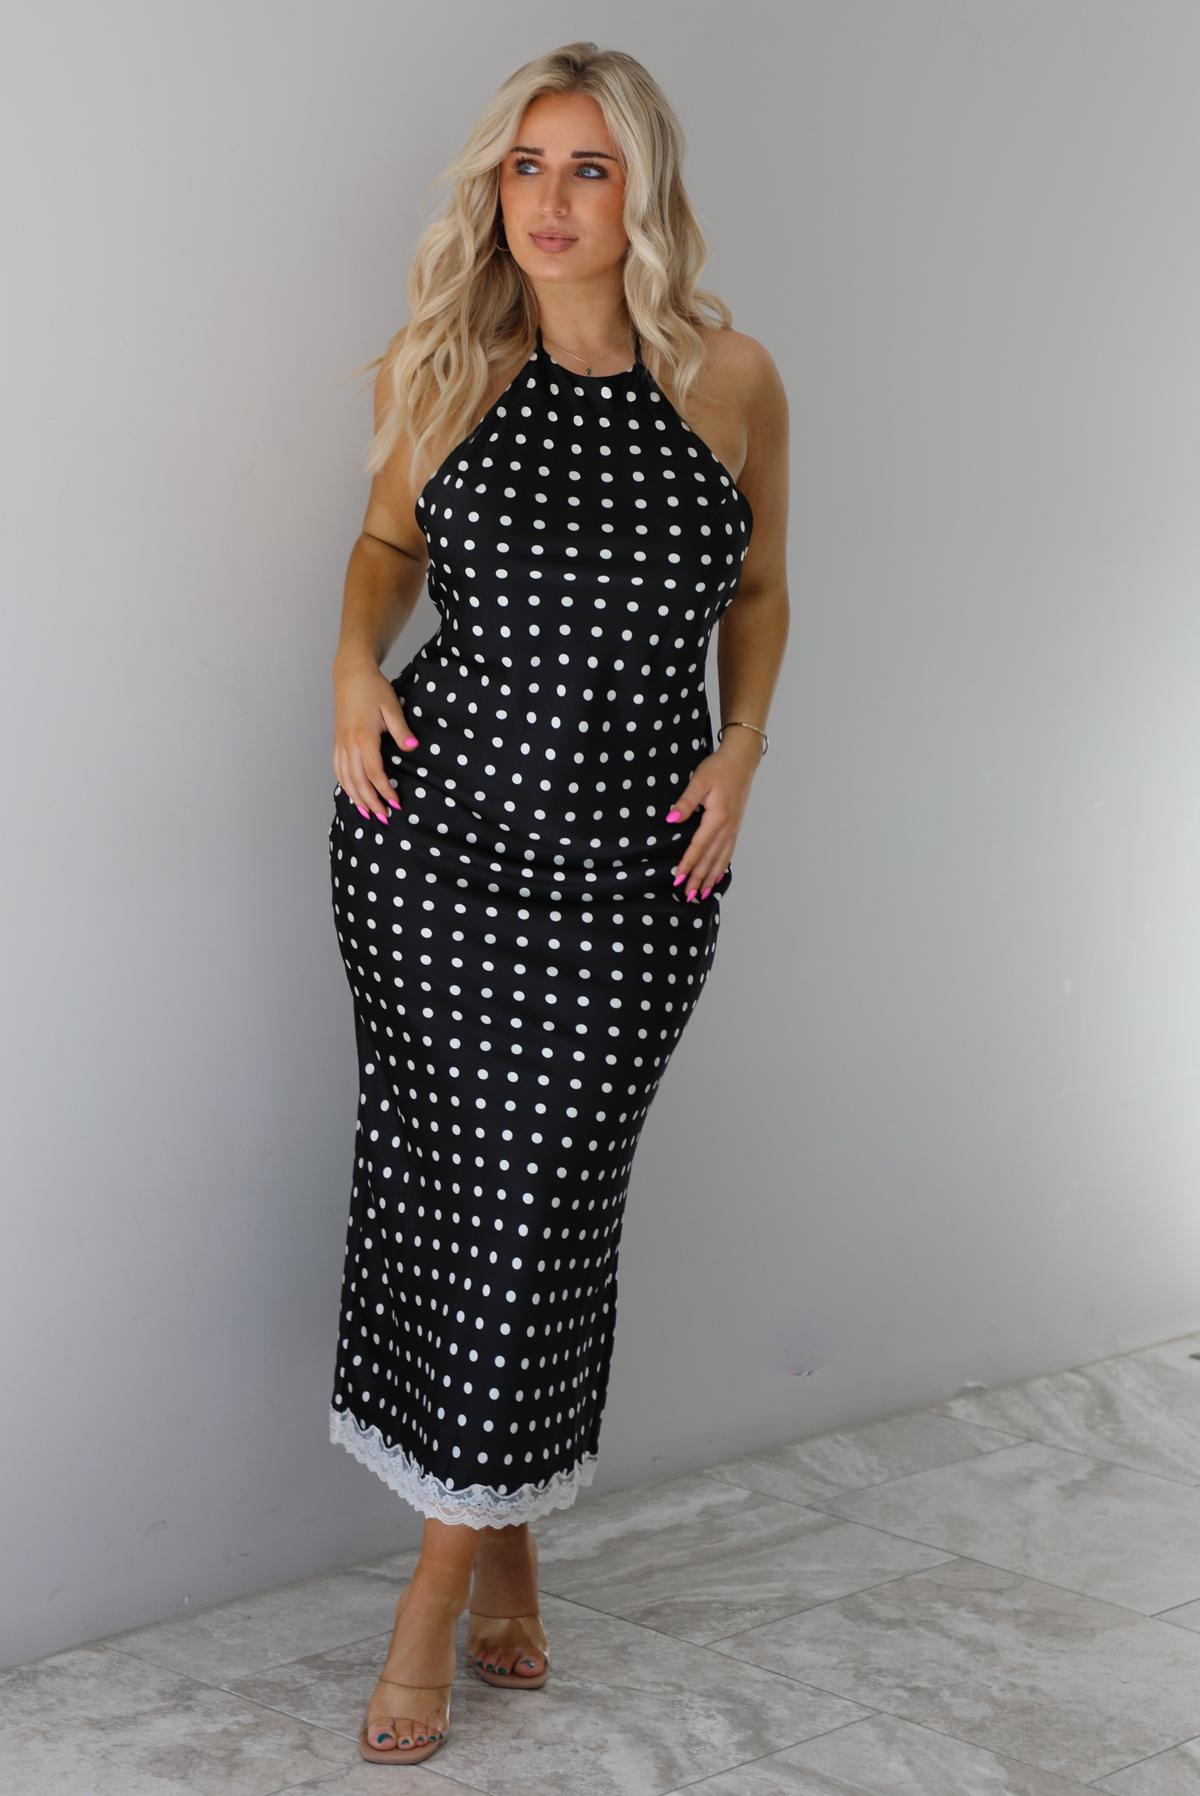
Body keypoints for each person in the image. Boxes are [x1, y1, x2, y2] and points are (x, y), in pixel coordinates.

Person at [328, 40, 789, 1765]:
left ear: (642, 191)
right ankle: (486, 1558)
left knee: (546, 1201)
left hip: (631, 860)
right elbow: (385, 549)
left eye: (587, 168)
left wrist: (742, 745)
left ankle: (444, 1583)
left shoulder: (729, 379)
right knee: (460, 1189)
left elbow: (761, 583)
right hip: (436, 839)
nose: (549, 200)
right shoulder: (441, 366)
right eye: (526, 167)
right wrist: (352, 674)